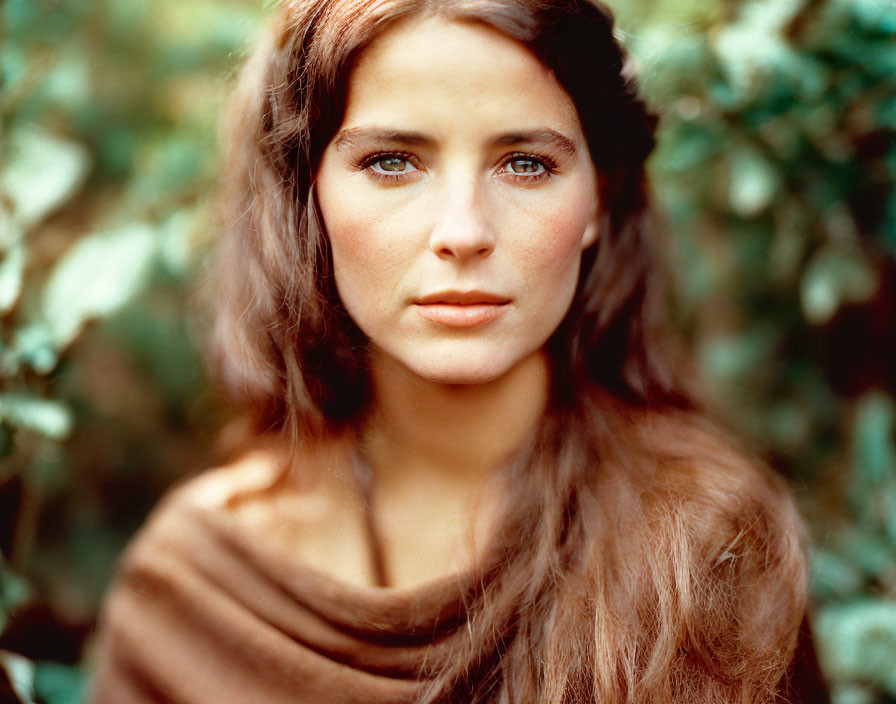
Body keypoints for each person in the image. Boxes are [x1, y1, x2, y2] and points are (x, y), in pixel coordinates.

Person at [89, 0, 828, 702]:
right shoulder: (193, 585)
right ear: (307, 196)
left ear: (597, 200)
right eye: (392, 162)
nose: (464, 231)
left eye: (527, 164)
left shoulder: (703, 544)